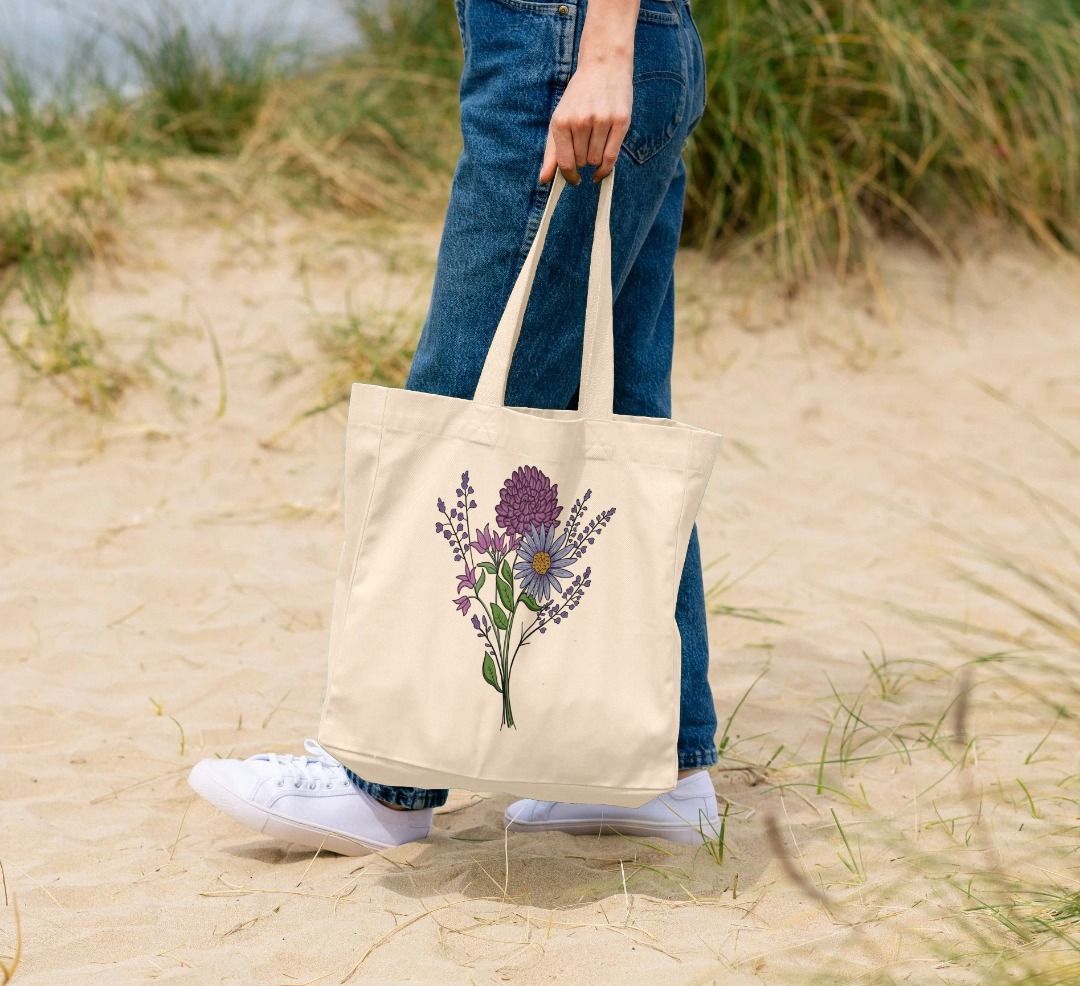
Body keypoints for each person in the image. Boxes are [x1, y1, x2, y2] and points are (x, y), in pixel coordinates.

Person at [188, 0, 720, 853]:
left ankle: (385, 785)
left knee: (462, 397)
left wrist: (604, 47)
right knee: (618, 411)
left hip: (568, 43)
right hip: (610, 39)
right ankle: (664, 769)